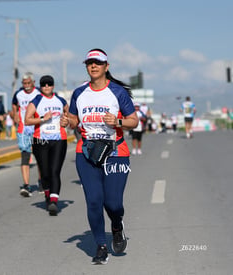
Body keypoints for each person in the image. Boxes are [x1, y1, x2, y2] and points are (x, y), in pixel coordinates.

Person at [60, 49, 138, 264]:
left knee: (113, 204)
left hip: (115, 153)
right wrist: (68, 122)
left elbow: (134, 121)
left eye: (97, 62)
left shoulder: (117, 92)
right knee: (94, 201)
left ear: (106, 66)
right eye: (89, 63)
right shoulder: (79, 93)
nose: (93, 66)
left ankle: (116, 225)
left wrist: (118, 122)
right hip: (86, 153)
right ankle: (101, 246)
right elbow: (75, 121)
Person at [25, 75, 68, 215]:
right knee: (45, 172)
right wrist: (43, 119)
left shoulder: (61, 100)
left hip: (59, 139)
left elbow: (70, 117)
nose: (47, 87)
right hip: (40, 140)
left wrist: (66, 121)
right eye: (44, 85)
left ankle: (54, 201)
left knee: (55, 171)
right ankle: (48, 195)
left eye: (49, 84)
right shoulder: (36, 101)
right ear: (40, 87)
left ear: (53, 86)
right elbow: (27, 120)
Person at [11, 72, 41, 197]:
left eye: (29, 83)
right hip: (23, 129)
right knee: (25, 156)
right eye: (24, 83)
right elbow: (14, 104)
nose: (27, 86)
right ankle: (26, 185)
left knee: (40, 156)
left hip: (38, 128)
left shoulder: (39, 93)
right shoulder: (18, 94)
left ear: (33, 82)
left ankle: (41, 181)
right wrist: (15, 114)